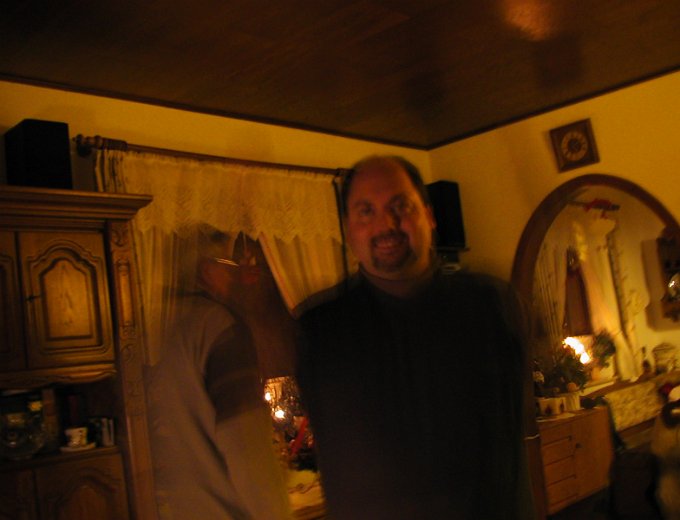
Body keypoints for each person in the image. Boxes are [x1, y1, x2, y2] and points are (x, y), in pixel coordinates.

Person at [296, 155, 534, 519]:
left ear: (429, 215)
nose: (386, 225)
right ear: (348, 229)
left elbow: (516, 433)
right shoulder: (321, 330)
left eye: (400, 206)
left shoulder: (491, 304)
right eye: (366, 211)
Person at [145, 229, 292, 519]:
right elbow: (247, 449)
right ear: (206, 270)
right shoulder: (218, 328)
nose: (234, 275)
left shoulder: (154, 328)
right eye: (228, 264)